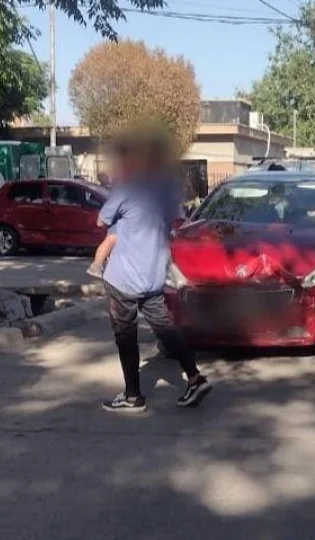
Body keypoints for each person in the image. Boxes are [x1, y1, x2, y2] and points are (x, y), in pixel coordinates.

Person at [97, 128, 211, 412]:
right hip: (153, 276)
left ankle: (133, 396)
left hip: (123, 277)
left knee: (125, 335)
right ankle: (194, 377)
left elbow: (101, 220)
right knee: (165, 328)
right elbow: (178, 223)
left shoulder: (127, 189)